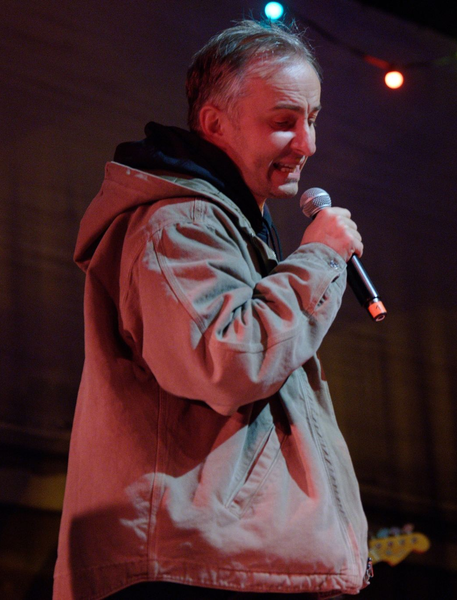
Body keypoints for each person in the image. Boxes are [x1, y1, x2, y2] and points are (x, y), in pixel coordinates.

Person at [54, 21, 370, 600]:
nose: (308, 144)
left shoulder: (225, 225)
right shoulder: (180, 223)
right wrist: (321, 257)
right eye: (284, 121)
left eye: (313, 119)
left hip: (214, 559)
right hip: (193, 565)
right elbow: (228, 360)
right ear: (213, 123)